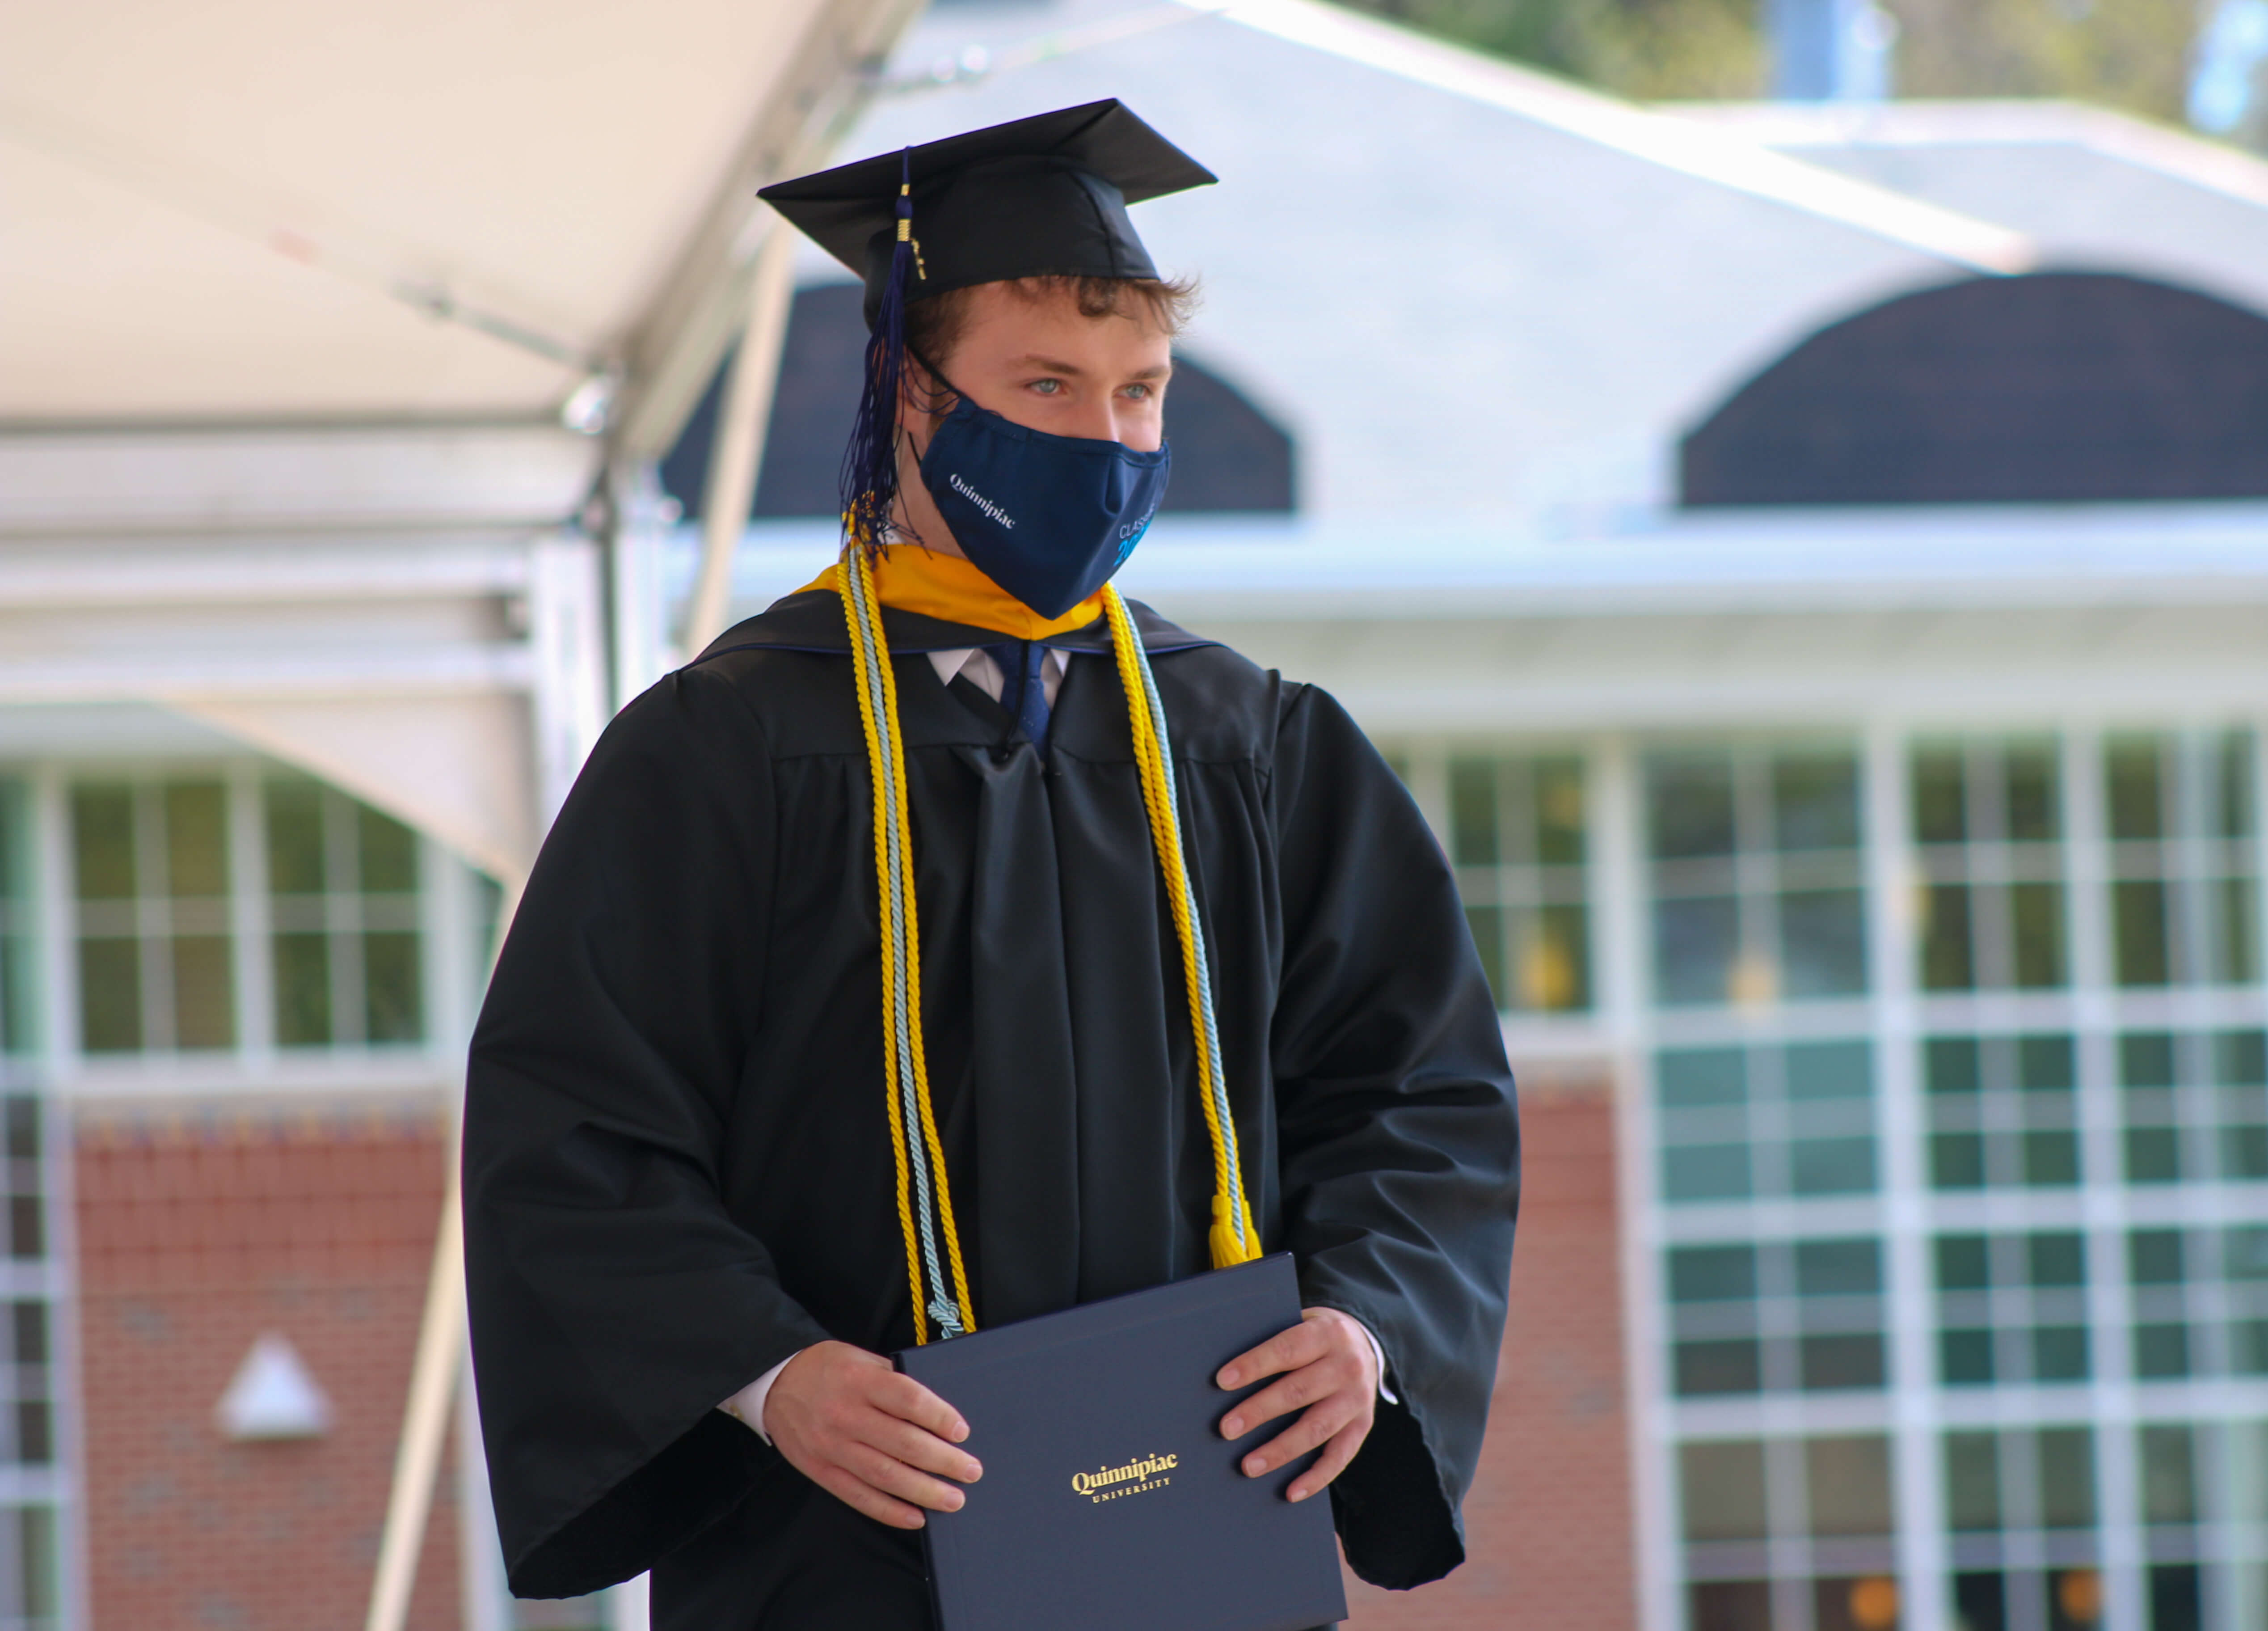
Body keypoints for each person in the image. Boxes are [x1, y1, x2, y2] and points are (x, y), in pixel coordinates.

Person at [464, 99, 1518, 1629]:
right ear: (905, 394)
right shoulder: (723, 749)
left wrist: (1363, 1325)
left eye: (1138, 393)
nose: (1102, 441)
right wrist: (764, 1376)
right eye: (1045, 385)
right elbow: (572, 1131)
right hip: (840, 1553)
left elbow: (1422, 1096)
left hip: (1205, 1543)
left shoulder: (1255, 748)